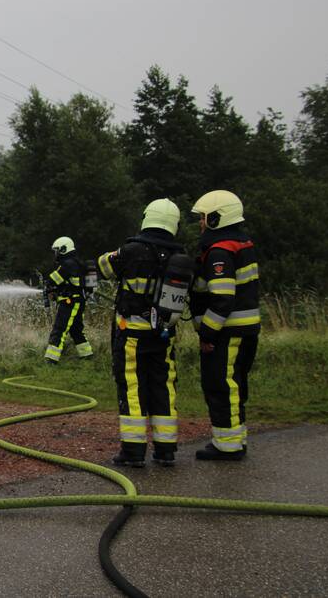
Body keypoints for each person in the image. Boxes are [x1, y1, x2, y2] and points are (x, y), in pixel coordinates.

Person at [96, 199, 185, 467]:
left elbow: (103, 267)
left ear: (148, 218)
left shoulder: (131, 250)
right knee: (163, 386)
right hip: (164, 335)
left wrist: (118, 252)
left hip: (132, 335)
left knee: (133, 387)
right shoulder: (179, 256)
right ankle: (166, 449)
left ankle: (133, 451)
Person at [188, 190, 260, 461]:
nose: (201, 223)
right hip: (246, 329)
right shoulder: (242, 244)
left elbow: (222, 299)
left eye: (203, 217)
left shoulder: (220, 252)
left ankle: (227, 446)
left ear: (217, 218)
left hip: (228, 331)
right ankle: (236, 438)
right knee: (235, 384)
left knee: (221, 385)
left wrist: (207, 334)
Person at [43, 237, 93, 364]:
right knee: (75, 330)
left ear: (64, 249)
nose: (55, 254)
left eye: (57, 251)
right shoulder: (77, 262)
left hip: (70, 302)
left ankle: (51, 359)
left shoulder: (67, 264)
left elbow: (53, 280)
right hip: (77, 301)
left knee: (59, 329)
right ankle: (87, 355)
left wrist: (48, 287)